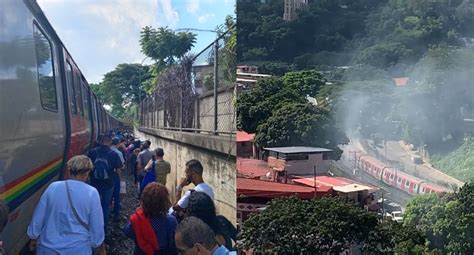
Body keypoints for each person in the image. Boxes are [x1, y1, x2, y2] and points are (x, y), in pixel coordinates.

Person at [27, 155, 105, 255]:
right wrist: (97, 244)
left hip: (48, 248)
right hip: (78, 249)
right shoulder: (92, 193)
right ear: (87, 173)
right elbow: (97, 224)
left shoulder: (53, 187)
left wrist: (33, 236)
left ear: (69, 170)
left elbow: (38, 216)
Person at [124, 182, 178, 255]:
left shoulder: (137, 219)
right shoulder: (170, 221)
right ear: (164, 202)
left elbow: (127, 232)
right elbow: (172, 244)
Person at [88, 134, 123, 231]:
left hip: (94, 183)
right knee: (106, 205)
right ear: (110, 142)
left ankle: (93, 225)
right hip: (108, 183)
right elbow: (119, 169)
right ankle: (103, 227)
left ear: (100, 141)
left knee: (94, 204)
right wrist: (119, 181)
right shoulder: (113, 154)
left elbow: (88, 167)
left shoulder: (92, 152)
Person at [110, 137, 125, 222]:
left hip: (107, 177)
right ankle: (116, 214)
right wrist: (120, 178)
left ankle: (108, 209)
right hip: (115, 177)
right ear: (118, 143)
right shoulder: (118, 153)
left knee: (108, 195)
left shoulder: (108, 150)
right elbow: (121, 167)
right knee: (116, 195)